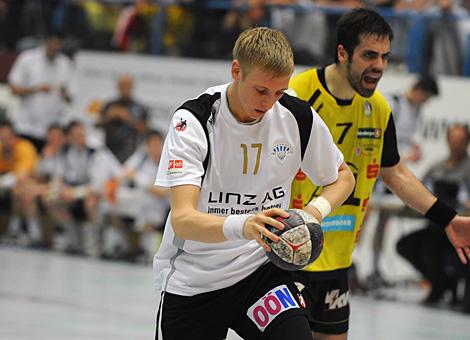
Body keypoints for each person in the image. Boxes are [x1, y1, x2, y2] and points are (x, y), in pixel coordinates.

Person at [153, 27, 355, 340]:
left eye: (279, 92)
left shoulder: (296, 116)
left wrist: (312, 213)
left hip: (260, 273)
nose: (269, 103)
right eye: (261, 91)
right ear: (236, 70)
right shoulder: (194, 121)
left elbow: (343, 176)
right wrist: (245, 225)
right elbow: (183, 221)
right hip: (195, 280)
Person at [288, 8, 470, 340]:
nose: (380, 66)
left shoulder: (380, 109)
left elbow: (395, 173)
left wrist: (447, 218)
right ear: (342, 53)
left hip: (337, 262)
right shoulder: (298, 95)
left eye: (385, 56)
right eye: (369, 55)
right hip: (287, 260)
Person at [367, 76, 440, 287]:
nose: (425, 102)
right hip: (376, 174)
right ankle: (352, 266)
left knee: (383, 223)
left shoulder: (416, 110)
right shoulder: (392, 103)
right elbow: (378, 142)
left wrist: (413, 148)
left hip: (390, 176)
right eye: (425, 97)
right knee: (363, 222)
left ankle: (374, 268)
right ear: (419, 90)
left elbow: (404, 140)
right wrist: (404, 156)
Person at [397, 124, 470, 305]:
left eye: (460, 140)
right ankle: (440, 283)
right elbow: (419, 189)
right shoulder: (437, 166)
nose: (455, 144)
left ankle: (444, 286)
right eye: (452, 139)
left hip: (458, 227)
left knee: (433, 248)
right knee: (407, 245)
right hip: (436, 225)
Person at [7, 32, 73, 152]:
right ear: (45, 42)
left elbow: (71, 98)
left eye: (58, 45)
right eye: (52, 44)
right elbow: (13, 89)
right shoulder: (27, 59)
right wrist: (36, 89)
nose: (55, 47)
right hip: (25, 126)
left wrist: (64, 92)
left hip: (50, 131)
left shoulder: (65, 64)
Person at [96, 73, 148, 164]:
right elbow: (97, 125)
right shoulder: (109, 105)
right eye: (122, 86)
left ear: (132, 87)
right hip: (109, 152)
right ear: (118, 87)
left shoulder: (139, 107)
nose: (125, 89)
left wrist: (128, 118)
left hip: (130, 153)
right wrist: (108, 117)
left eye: (128, 86)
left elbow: (145, 129)